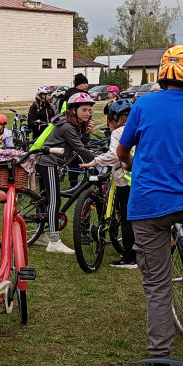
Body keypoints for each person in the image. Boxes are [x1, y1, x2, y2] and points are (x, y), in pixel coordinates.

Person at [116, 45, 183, 358]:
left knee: (157, 285)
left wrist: (128, 165)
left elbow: (123, 149)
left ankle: (160, 358)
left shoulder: (144, 103)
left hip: (148, 207)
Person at [34, 92, 97, 254]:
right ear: (74, 110)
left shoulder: (72, 123)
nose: (87, 113)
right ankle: (54, 241)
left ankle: (40, 234)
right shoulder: (68, 126)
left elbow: (80, 144)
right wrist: (101, 159)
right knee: (55, 199)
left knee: (46, 198)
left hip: (48, 161)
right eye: (84, 110)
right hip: (49, 162)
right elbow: (80, 149)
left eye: (89, 110)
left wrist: (87, 133)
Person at [80, 99, 135, 268]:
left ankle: (130, 257)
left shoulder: (118, 132)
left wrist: (94, 161)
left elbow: (114, 155)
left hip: (125, 180)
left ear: (116, 117)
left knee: (127, 218)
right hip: (143, 179)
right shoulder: (139, 128)